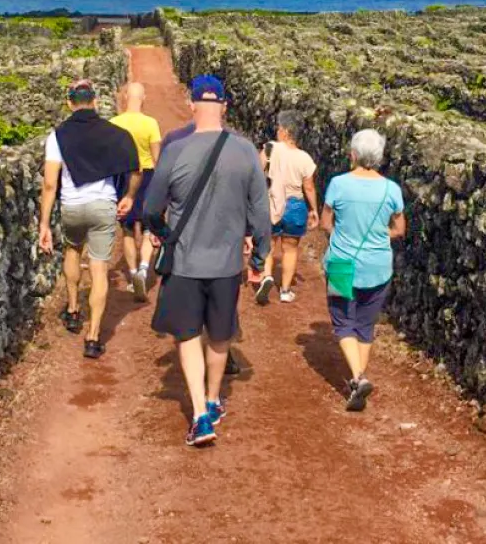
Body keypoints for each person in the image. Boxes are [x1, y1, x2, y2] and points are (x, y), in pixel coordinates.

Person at [144, 75, 271, 446]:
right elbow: (260, 214)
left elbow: (152, 207)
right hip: (228, 262)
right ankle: (215, 399)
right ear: (225, 107)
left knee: (187, 335)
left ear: (192, 104)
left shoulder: (174, 151)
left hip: (184, 262)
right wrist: (259, 258)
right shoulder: (246, 151)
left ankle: (200, 415)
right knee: (220, 333)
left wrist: (160, 231)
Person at [38, 80, 141, 359]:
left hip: (72, 204)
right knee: (99, 268)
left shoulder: (57, 136)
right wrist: (129, 197)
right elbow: (135, 169)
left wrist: (44, 224)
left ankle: (73, 309)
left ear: (70, 103)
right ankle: (93, 336)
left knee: (72, 250)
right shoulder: (115, 133)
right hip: (102, 205)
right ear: (95, 101)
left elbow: (50, 184)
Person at [320, 129, 405, 411]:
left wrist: (343, 236)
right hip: (378, 265)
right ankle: (358, 381)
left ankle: (357, 378)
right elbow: (399, 229)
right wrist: (377, 238)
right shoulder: (391, 189)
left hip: (343, 262)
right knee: (365, 325)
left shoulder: (338, 184)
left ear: (353, 155)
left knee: (343, 321)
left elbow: (325, 222)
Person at [255, 110, 319, 305]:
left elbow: (257, 175)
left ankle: (266, 276)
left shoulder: (269, 148)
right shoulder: (305, 158)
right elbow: (308, 187)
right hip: (295, 205)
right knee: (290, 249)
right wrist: (313, 209)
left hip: (273, 202)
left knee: (270, 244)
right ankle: (285, 291)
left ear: (284, 131)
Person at [110, 82, 162, 301]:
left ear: (124, 97)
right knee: (150, 227)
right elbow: (157, 158)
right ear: (144, 99)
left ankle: (132, 276)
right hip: (148, 175)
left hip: (123, 176)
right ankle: (143, 268)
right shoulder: (151, 123)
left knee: (128, 229)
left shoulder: (114, 123)